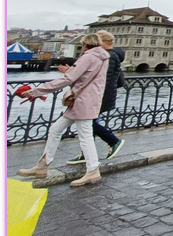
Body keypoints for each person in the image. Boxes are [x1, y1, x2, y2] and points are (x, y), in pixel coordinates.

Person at [18, 33, 110, 186]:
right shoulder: (103, 58)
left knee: (85, 136)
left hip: (82, 102)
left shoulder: (87, 57)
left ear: (85, 45)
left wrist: (36, 91)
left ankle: (93, 170)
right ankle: (43, 166)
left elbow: (68, 79)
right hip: (87, 101)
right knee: (55, 129)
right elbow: (85, 77)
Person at [66, 30, 126, 164]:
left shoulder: (108, 56)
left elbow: (97, 77)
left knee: (88, 123)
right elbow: (118, 80)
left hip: (99, 95)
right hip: (102, 94)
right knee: (89, 124)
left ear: (103, 42)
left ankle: (113, 141)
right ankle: (86, 154)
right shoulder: (112, 56)